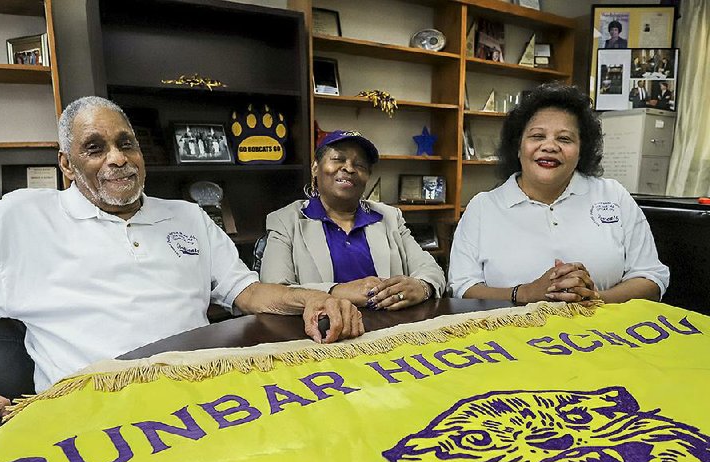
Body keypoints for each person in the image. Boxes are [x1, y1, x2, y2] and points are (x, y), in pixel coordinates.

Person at [0, 96, 363, 462]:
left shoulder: (187, 215)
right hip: (90, 426)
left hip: (204, 409)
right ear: (67, 165)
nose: (117, 158)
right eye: (95, 148)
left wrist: (314, 298)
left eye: (126, 144)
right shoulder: (20, 216)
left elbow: (244, 291)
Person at [448, 83, 669, 306]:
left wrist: (595, 299)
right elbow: (462, 288)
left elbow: (651, 278)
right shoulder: (483, 207)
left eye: (564, 139)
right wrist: (525, 293)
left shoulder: (614, 196)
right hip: (509, 337)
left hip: (604, 335)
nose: (550, 146)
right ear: (518, 146)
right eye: (537, 136)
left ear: (582, 150)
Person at [259, 130, 447, 311]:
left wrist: (421, 287)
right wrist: (337, 292)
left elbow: (432, 270)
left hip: (392, 331)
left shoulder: (389, 217)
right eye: (338, 159)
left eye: (360, 165)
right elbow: (272, 293)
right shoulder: (286, 220)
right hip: (320, 335)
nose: (349, 168)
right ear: (315, 167)